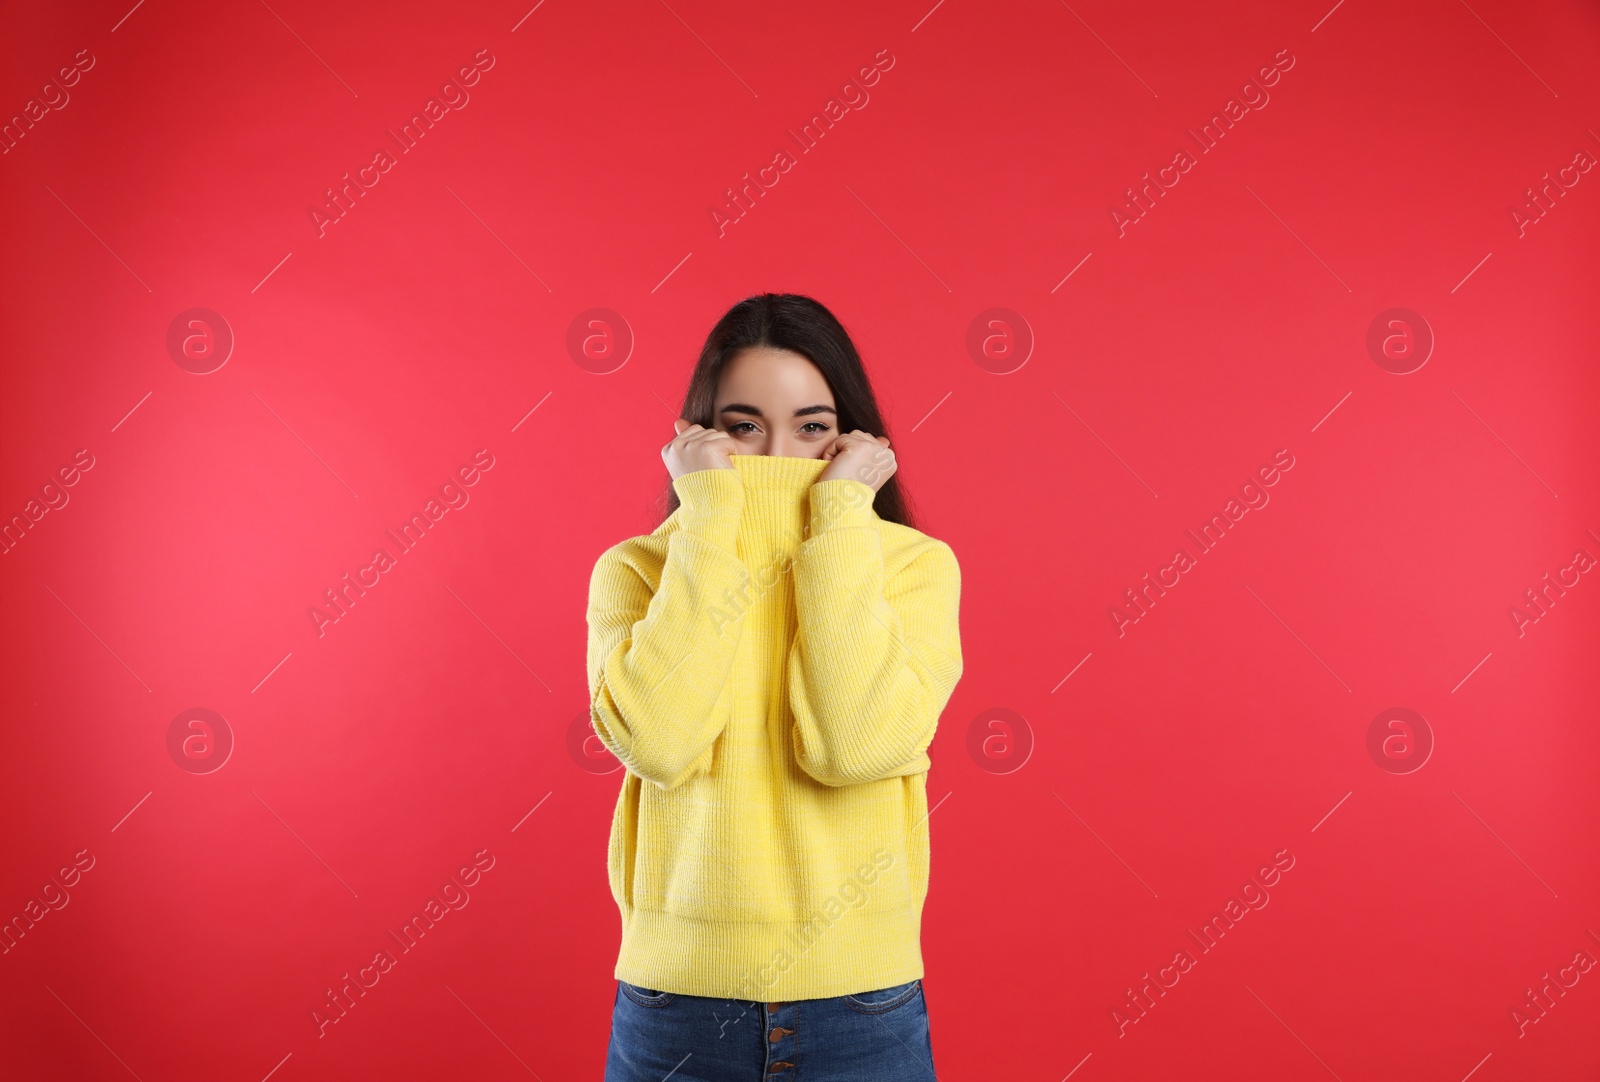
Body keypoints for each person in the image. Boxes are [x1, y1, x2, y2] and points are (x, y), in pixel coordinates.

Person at [586, 293, 963, 1080]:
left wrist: (840, 520)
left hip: (860, 1004)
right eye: (744, 426)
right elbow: (660, 740)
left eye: (813, 427)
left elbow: (855, 747)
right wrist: (715, 515)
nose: (778, 454)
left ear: (851, 438)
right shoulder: (639, 570)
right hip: (676, 1002)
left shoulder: (911, 567)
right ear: (699, 437)